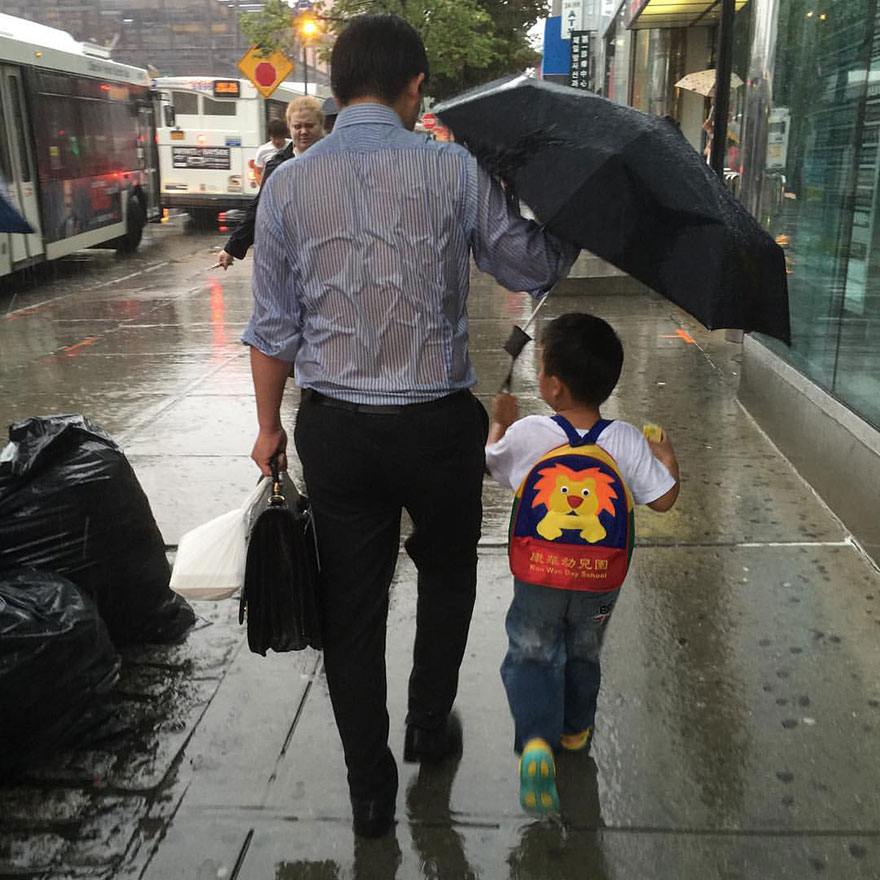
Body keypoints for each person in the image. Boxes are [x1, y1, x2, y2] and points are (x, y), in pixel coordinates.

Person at [242, 14, 578, 839]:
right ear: (414, 87)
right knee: (447, 574)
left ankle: (368, 788)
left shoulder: (285, 184)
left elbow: (272, 329)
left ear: (335, 86)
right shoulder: (456, 170)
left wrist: (265, 429)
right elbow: (531, 265)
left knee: (349, 604)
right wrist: (553, 205)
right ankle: (429, 722)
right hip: (437, 430)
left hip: (338, 433)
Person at [485, 313, 680, 816]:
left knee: (532, 650)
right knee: (584, 651)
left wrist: (499, 422)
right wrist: (667, 456)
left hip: (539, 575)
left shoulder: (530, 433)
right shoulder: (628, 441)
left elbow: (490, 463)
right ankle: (574, 734)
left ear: (552, 386)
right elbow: (663, 500)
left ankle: (534, 742)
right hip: (598, 583)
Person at [217, 96, 324, 270]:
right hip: (288, 255)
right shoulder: (277, 165)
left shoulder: (336, 161)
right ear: (290, 127)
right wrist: (232, 248)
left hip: (327, 254)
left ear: (321, 125)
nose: (303, 131)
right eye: (298, 126)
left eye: (309, 125)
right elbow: (260, 208)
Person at [252, 117, 291, 186]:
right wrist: (263, 188)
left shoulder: (293, 146)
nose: (277, 141)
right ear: (270, 136)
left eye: (280, 137)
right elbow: (257, 172)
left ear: (285, 135)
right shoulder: (263, 151)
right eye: (274, 137)